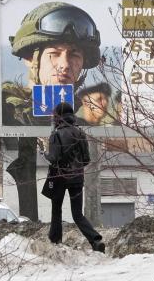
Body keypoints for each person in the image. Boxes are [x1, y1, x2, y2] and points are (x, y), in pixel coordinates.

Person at [1, 2, 102, 126]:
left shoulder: (82, 129)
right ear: (29, 59)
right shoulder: (1, 114)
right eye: (54, 54)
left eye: (74, 55)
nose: (65, 65)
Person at [44, 101, 105, 252]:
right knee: (77, 214)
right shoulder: (80, 133)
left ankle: (55, 241)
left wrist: (44, 154)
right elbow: (86, 159)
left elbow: (54, 158)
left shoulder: (56, 134)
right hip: (77, 178)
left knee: (56, 210)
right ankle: (96, 241)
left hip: (59, 178)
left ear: (58, 117)